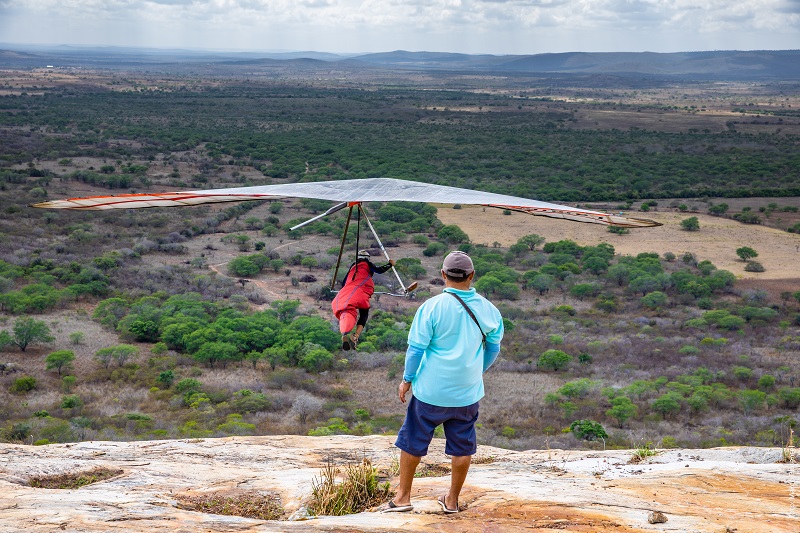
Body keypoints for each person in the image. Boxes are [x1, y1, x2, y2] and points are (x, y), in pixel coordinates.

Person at [383, 250, 503, 514]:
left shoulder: (432, 307)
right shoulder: (489, 310)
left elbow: (415, 350)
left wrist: (406, 381)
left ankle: (403, 498)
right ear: (472, 276)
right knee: (462, 446)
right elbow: (493, 349)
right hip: (467, 393)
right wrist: (475, 370)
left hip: (430, 392)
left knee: (413, 440)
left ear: (443, 275)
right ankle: (452, 501)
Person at [331, 250, 394, 351]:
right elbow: (379, 270)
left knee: (347, 310)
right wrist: (390, 265)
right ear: (367, 258)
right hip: (360, 292)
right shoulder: (366, 263)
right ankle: (355, 336)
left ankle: (344, 333)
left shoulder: (353, 267)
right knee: (364, 313)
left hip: (347, 293)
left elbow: (344, 283)